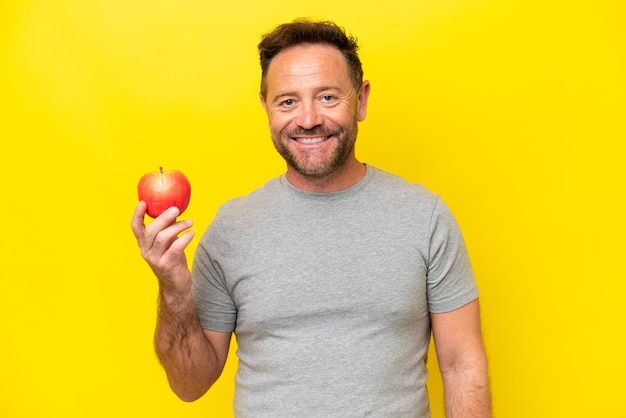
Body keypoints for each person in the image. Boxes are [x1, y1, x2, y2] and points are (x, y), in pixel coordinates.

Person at [132, 19, 491, 417]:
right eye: (287, 101)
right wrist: (174, 291)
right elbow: (189, 384)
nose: (307, 119)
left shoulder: (425, 217)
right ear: (266, 108)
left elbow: (462, 365)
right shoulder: (231, 230)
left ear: (362, 100)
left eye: (327, 97)